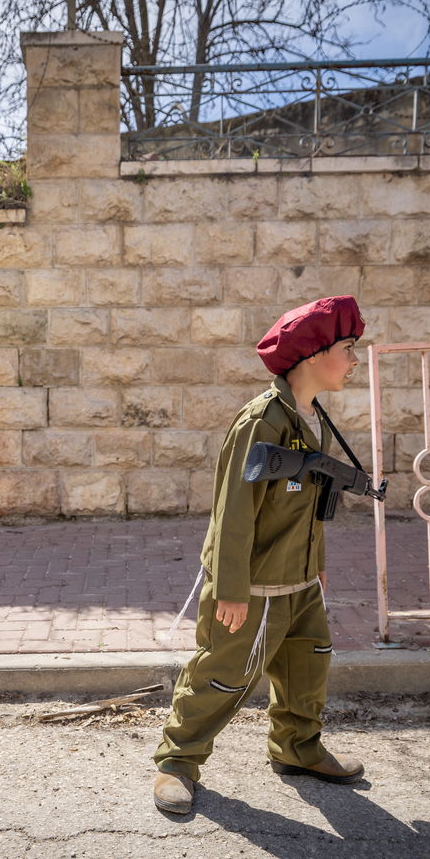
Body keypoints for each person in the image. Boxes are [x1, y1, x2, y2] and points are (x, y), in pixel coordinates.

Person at [152, 295, 369, 814]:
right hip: (252, 584)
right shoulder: (263, 421)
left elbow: (305, 501)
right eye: (349, 347)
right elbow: (234, 508)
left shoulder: (308, 416)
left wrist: (315, 564)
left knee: (307, 664)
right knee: (223, 673)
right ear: (314, 354)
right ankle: (177, 761)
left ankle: (297, 747)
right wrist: (230, 588)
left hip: (297, 580)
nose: (356, 359)